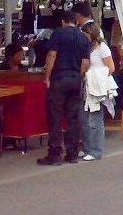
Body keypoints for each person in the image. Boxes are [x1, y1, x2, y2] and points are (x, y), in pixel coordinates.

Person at [37, 11, 90, 166]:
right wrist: (77, 75)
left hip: (59, 78)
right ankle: (72, 153)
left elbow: (52, 55)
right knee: (74, 117)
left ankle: (55, 154)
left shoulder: (58, 34)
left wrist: (47, 76)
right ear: (76, 22)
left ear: (63, 21)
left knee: (55, 116)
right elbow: (86, 62)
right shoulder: (83, 37)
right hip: (75, 78)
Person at [81, 22, 116, 161]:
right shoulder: (87, 48)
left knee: (95, 119)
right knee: (86, 118)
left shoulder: (102, 48)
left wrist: (96, 76)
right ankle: (88, 148)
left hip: (98, 86)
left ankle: (95, 150)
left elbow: (111, 67)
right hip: (88, 85)